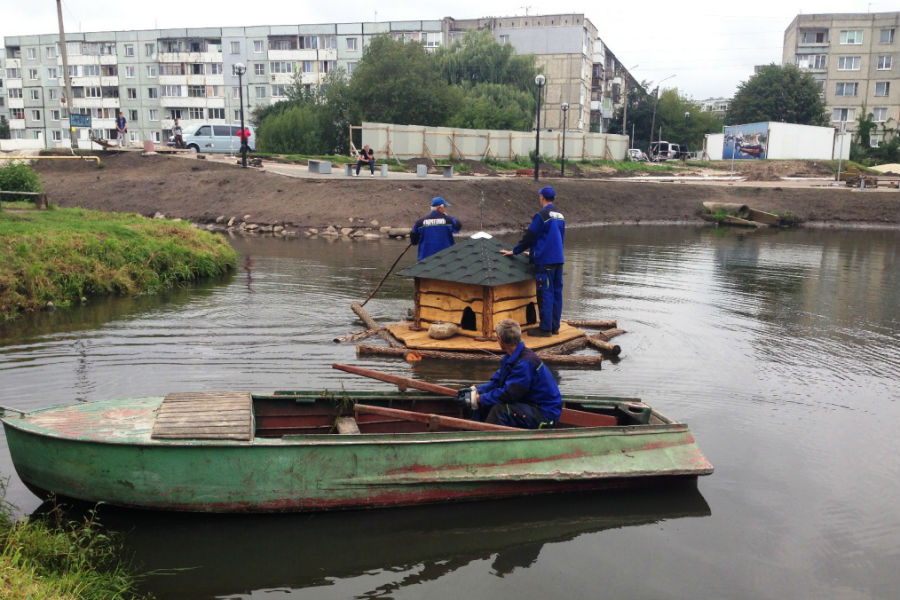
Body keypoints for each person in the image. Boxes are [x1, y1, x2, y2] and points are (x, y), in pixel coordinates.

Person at [467, 319, 562, 429]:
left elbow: (508, 394)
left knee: (500, 411)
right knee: (484, 404)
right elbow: (497, 382)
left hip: (544, 415)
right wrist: (475, 391)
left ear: (500, 339)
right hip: (528, 405)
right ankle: (471, 432)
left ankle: (482, 443)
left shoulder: (525, 363)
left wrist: (480, 398)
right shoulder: (511, 358)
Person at [500, 186, 565, 336]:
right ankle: (555, 327)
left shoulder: (542, 215)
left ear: (542, 197)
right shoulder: (560, 216)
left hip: (545, 262)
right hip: (558, 259)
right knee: (557, 293)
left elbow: (530, 235)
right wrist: (535, 252)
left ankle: (545, 329)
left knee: (545, 294)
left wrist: (516, 250)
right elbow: (557, 239)